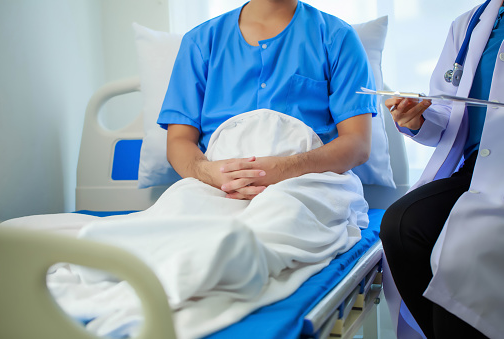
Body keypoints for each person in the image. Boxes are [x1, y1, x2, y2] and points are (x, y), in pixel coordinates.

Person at [157, 0, 376, 200]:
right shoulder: (200, 42)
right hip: (214, 187)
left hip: (307, 184)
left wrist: (284, 169)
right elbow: (179, 141)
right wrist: (211, 173)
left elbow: (357, 143)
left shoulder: (337, 38)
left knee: (275, 224)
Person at [380, 0, 504, 338]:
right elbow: (451, 113)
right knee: (402, 224)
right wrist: (417, 117)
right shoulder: (469, 24)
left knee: (462, 257)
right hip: (478, 169)